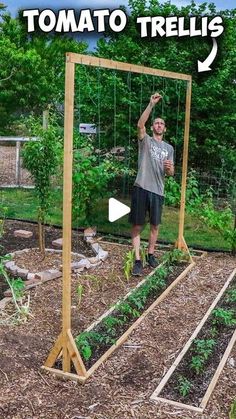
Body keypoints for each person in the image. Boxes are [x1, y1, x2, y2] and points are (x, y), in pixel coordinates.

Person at [129, 93, 174, 276]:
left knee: (155, 225)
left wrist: (170, 168)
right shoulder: (145, 141)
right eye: (156, 123)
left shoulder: (169, 149)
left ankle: (151, 255)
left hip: (158, 191)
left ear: (165, 129)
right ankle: (138, 261)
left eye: (161, 124)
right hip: (142, 187)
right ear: (153, 127)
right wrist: (151, 105)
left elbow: (170, 174)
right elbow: (140, 125)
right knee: (138, 226)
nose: (158, 125)